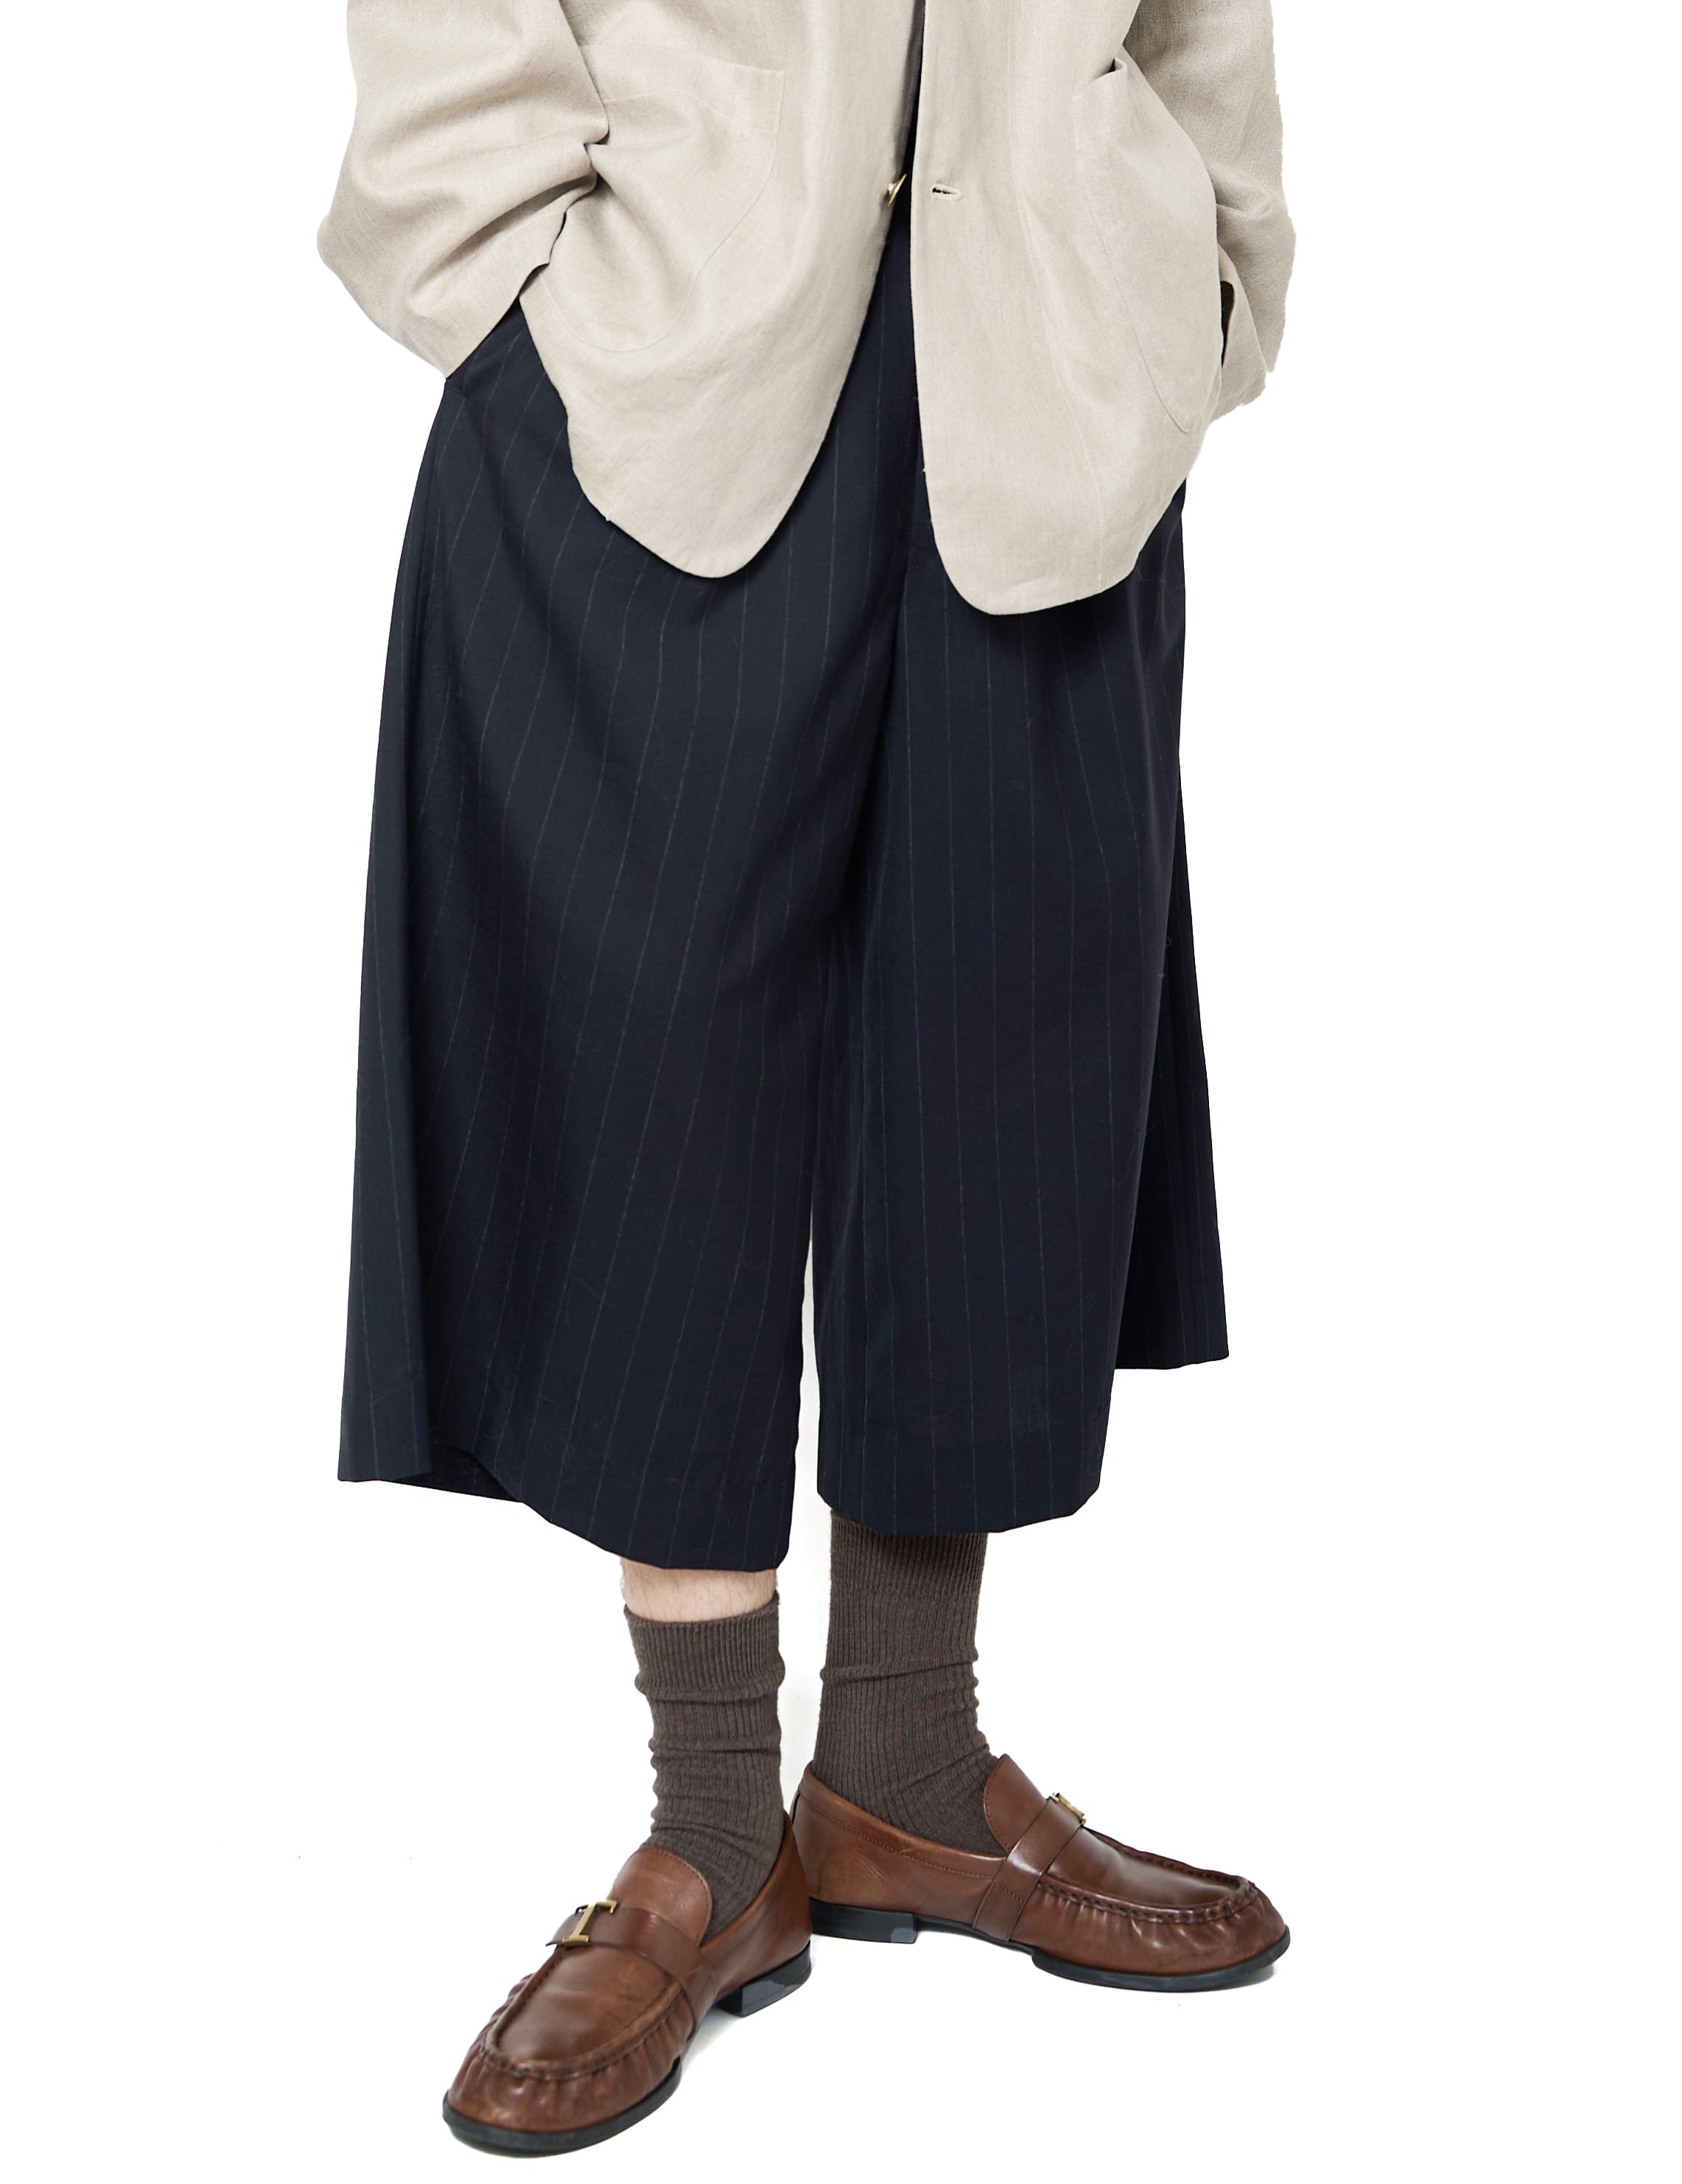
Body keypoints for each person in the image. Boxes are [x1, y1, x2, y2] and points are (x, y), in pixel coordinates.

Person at [319, 0, 1295, 2157]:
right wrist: (513, 292)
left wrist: (1204, 284)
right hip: (649, 382)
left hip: (1047, 383)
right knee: (640, 1088)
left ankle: (909, 1766)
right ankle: (710, 1831)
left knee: (1002, 1067)